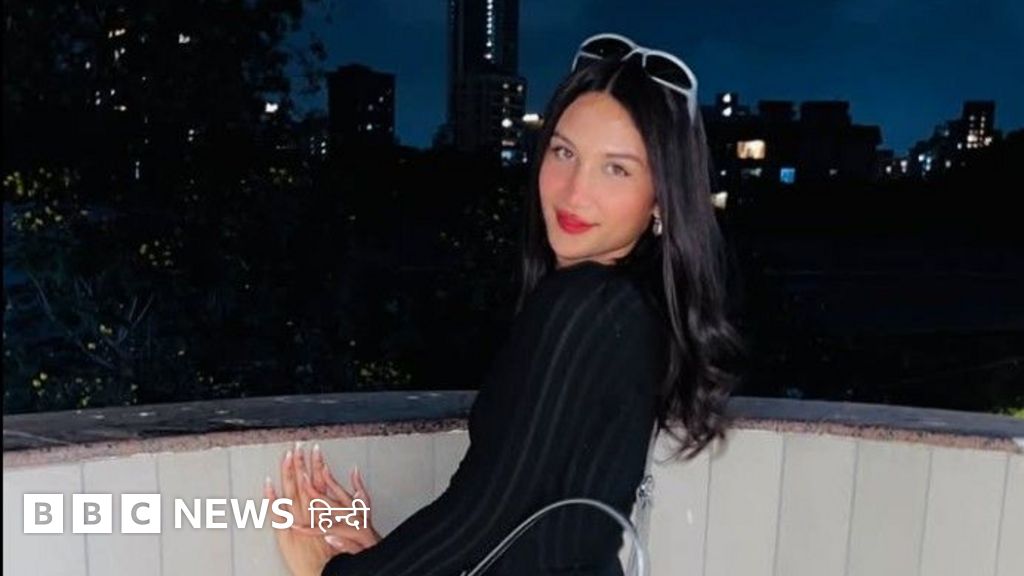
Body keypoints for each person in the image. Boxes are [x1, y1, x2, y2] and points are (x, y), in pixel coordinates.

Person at [265, 32, 746, 576]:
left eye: (616, 168)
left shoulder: (585, 307)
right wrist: (381, 554)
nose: (574, 191)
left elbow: (483, 518)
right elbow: (531, 518)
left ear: (661, 198)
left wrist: (337, 573)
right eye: (564, 152)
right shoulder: (632, 307)